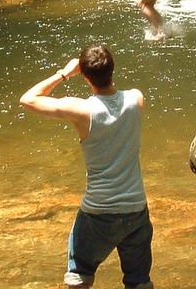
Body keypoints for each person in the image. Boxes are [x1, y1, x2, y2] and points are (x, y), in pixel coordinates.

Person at [20, 45, 154, 289]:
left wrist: (63, 73)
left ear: (84, 75)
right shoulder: (136, 98)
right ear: (113, 69)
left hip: (98, 212)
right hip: (136, 209)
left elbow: (28, 100)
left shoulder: (82, 110)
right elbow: (123, 98)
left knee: (79, 275)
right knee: (139, 282)